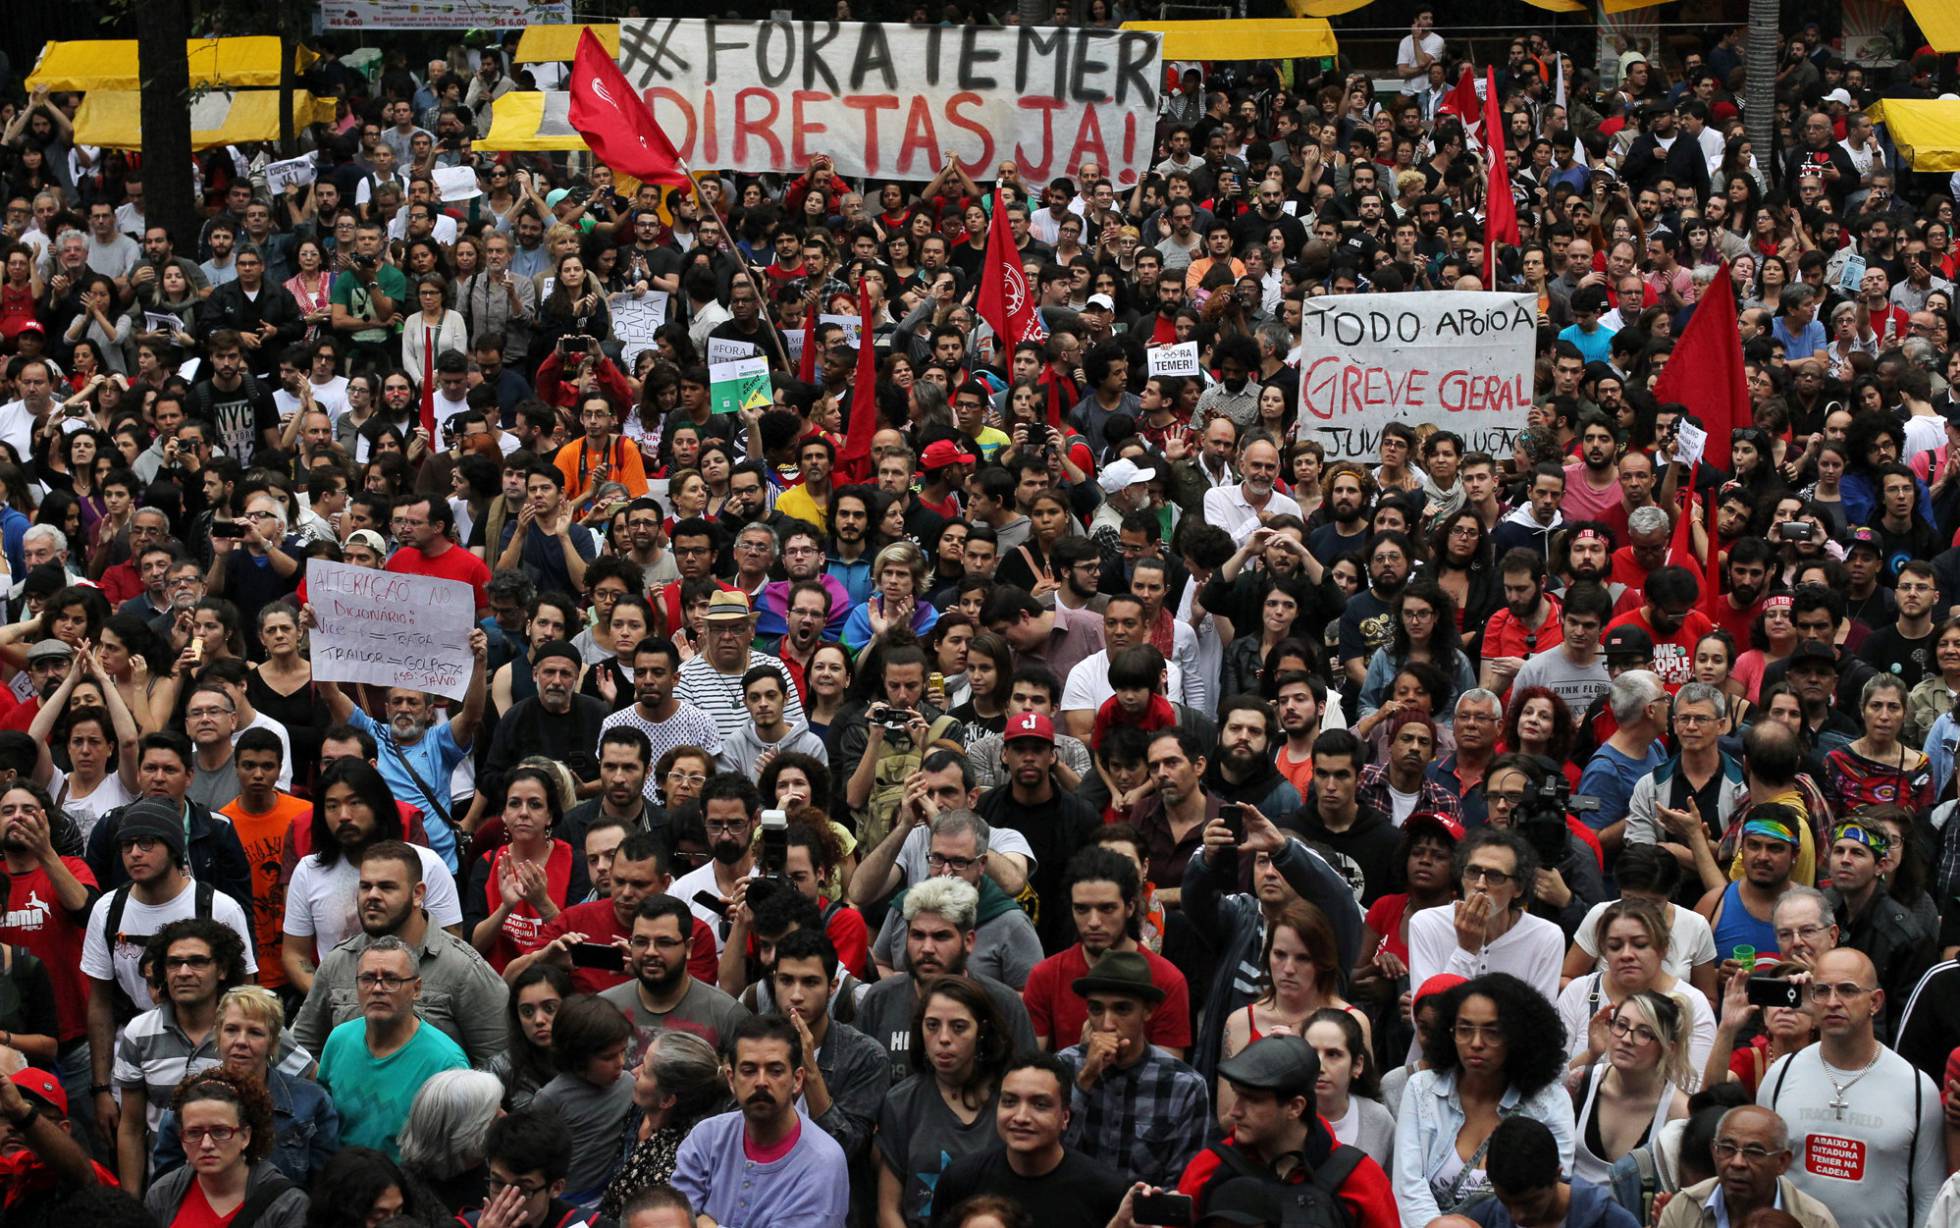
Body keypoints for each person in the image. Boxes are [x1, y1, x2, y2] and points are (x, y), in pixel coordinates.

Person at [81, 797, 259, 1150]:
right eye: (127, 845)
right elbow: (99, 1003)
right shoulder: (107, 909)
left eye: (147, 843)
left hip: (209, 1051)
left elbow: (247, 997)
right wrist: (101, 1087)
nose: (134, 853)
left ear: (174, 847)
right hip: (130, 1056)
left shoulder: (218, 907)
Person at [110, 919, 309, 1193]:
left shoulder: (250, 1027)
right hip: (171, 1191)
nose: (184, 972)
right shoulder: (138, 1032)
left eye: (197, 962)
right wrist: (132, 1205)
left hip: (250, 1189)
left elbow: (310, 1082)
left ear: (223, 969)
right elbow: (131, 1128)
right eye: (173, 963)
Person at [1756, 948, 1942, 1228]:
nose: (1833, 1002)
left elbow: (1929, 1196)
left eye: (1847, 990)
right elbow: (1761, 1174)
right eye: (1821, 991)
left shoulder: (1916, 1087)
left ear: (1875, 1002)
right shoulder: (1781, 1074)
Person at [1391, 973, 1577, 1226]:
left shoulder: (1550, 1102)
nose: (1476, 1043)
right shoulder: (1422, 1089)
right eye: (1465, 1030)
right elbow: (1408, 1186)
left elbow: (1546, 1194)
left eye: (1493, 1032)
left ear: (1519, 1036)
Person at [1174, 1034, 1399, 1228]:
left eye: (1253, 1100)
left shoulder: (1358, 1178)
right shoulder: (1209, 1167)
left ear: (1295, 1106)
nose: (1235, 1111)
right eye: (1237, 1094)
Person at [669, 1015, 850, 1228]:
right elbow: (672, 1219)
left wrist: (706, 1224)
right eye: (749, 1070)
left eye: (775, 1071)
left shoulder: (822, 1161)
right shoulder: (706, 1138)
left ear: (797, 1079)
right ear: (730, 1079)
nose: (761, 1082)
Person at [854, 876, 1038, 1082]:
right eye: (917, 935)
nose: (927, 949)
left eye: (941, 936)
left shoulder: (1004, 1005)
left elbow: (1028, 1085)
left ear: (968, 941)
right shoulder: (879, 1000)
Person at [1022, 847, 1192, 1056]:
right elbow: (1029, 1068)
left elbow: (1167, 1078)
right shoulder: (1046, 976)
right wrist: (1080, 1059)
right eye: (1082, 909)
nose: (1093, 922)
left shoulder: (1167, 980)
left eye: (1107, 908)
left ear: (1130, 907)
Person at [314, 935, 470, 1159]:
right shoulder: (339, 1040)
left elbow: (454, 1154)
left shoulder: (446, 1064)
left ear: (416, 989)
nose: (377, 988)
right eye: (367, 978)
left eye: (391, 979)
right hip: (341, 1184)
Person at [929, 1052, 1129, 1228]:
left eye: (1040, 1105)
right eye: (1009, 1102)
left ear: (1065, 1117)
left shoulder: (1106, 1191)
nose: (1021, 1117)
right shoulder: (960, 1181)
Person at [877, 976, 1011, 1228]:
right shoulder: (901, 1102)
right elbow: (888, 1210)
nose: (944, 1038)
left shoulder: (1008, 1098)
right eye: (932, 1026)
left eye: (958, 1027)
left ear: (981, 1031)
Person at [764, 927, 889, 1160]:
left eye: (810, 982)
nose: (797, 995)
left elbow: (846, 1149)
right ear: (774, 981)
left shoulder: (865, 1056)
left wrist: (809, 1069)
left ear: (833, 987)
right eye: (786, 980)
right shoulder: (751, 1044)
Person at [1406, 829, 1564, 1007]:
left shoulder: (1546, 937)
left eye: (1495, 876)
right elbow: (1425, 1019)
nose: (1480, 884)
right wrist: (1466, 951)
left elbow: (1541, 1024)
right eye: (1473, 872)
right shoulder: (1427, 923)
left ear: (1518, 888)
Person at [141, 1068, 310, 1228]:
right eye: (194, 1133)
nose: (206, 1144)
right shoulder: (162, 1195)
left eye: (220, 1132)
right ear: (182, 1139)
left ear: (245, 1136)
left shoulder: (287, 1205)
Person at [597, 894, 751, 1068]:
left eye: (664, 943)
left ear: (688, 948)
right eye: (640, 942)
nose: (650, 952)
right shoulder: (605, 1009)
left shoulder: (727, 1016)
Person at [1565, 992, 1694, 1186]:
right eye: (1621, 1025)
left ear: (1669, 1048)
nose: (1626, 1039)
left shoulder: (1679, 1114)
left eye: (1644, 1033)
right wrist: (1592, 1054)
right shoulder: (1581, 1082)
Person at [600, 1028, 728, 1219]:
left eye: (644, 1070)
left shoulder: (676, 1168)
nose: (634, 1072)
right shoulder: (637, 1111)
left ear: (666, 1100)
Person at [1654, 1105, 1841, 1228]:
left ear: (1782, 1162)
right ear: (1714, 1151)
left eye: (1754, 1152)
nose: (1737, 1163)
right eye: (1727, 1148)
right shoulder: (1684, 1209)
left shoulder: (1815, 1221)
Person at [531, 994, 634, 1205]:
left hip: (613, 1195)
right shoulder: (551, 1098)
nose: (620, 1063)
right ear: (577, 1058)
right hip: (567, 1201)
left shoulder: (628, 1085)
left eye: (623, 1052)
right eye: (608, 1057)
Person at [1468, 1115, 1639, 1228]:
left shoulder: (1609, 1220)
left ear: (1556, 1175)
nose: (1517, 1216)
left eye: (1529, 1203)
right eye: (1505, 1202)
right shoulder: (1484, 1218)